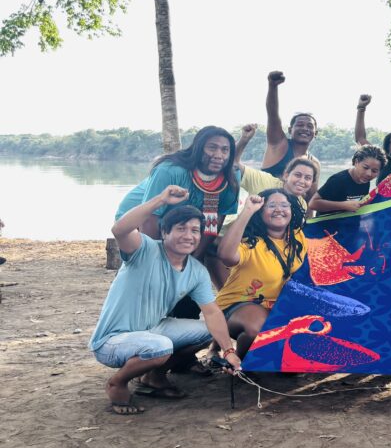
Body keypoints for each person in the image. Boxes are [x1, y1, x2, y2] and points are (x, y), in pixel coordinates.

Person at [90, 186, 241, 415]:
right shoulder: (144, 249)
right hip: (112, 340)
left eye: (195, 230)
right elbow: (120, 229)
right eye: (181, 228)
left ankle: (154, 375)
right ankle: (117, 382)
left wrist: (229, 350)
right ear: (164, 232)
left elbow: (211, 313)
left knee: (210, 331)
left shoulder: (196, 271)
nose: (189, 235)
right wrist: (160, 200)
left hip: (154, 329)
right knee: (161, 346)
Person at [216, 190, 306, 358]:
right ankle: (241, 361)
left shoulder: (298, 237)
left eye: (284, 205)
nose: (279, 209)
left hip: (276, 305)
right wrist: (248, 210)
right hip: (237, 304)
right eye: (271, 205)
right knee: (258, 329)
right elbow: (225, 255)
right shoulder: (251, 243)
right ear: (260, 212)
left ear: (292, 210)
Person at [116, 126, 240, 247]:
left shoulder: (231, 178)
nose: (219, 155)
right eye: (212, 148)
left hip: (179, 225)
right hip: (135, 222)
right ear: (198, 149)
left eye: (225, 150)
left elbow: (214, 222)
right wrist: (156, 258)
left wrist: (195, 259)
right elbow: (149, 219)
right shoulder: (169, 170)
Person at [234, 123, 320, 205]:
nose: (302, 181)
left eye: (307, 178)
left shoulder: (301, 203)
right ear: (286, 175)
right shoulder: (263, 181)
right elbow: (234, 164)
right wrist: (244, 139)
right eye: (297, 175)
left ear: (312, 183)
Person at [261, 70, 319, 178]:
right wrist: (273, 86)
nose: (305, 129)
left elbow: (313, 194)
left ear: (315, 133)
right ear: (290, 130)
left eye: (310, 126)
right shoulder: (279, 145)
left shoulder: (314, 163)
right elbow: (272, 115)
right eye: (300, 125)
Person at [308, 145, 388, 215]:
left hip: (346, 224)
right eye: (365, 167)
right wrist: (343, 205)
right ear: (356, 162)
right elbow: (313, 204)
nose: (369, 174)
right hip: (326, 226)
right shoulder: (338, 180)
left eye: (374, 171)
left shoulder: (365, 181)